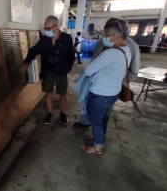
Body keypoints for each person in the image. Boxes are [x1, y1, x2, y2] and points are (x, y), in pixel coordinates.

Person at [74, 18, 140, 128]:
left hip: (109, 88)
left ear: (118, 33)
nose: (105, 36)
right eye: (105, 33)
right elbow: (94, 62)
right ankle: (84, 122)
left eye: (108, 33)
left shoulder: (131, 46)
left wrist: (115, 81)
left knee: (105, 111)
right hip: (93, 83)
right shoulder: (102, 41)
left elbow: (134, 72)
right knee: (86, 104)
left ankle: (99, 136)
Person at [80, 19, 132, 155]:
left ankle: (97, 148)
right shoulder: (126, 49)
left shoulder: (110, 53)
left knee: (95, 120)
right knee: (102, 118)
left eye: (107, 34)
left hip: (100, 94)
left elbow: (88, 70)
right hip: (113, 92)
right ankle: (99, 138)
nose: (104, 38)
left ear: (118, 35)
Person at [21, 15, 75, 125]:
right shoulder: (44, 40)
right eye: (45, 28)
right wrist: (26, 61)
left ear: (56, 27)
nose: (46, 31)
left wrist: (66, 68)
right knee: (48, 93)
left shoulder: (66, 38)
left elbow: (71, 56)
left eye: (48, 28)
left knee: (62, 93)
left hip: (61, 71)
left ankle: (63, 113)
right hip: (48, 71)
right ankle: (49, 113)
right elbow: (34, 50)